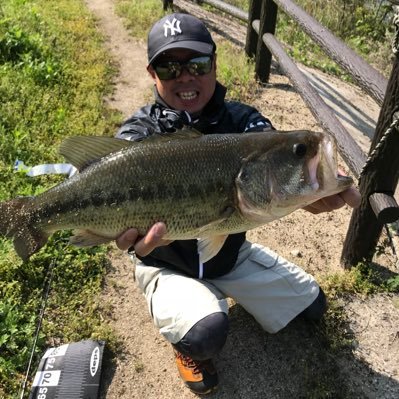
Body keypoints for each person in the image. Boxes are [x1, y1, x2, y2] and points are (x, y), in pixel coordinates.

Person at [115, 13, 361, 395]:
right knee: (207, 334)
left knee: (313, 307)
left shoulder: (244, 123)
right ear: (152, 73)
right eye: (169, 67)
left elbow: (272, 151)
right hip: (164, 264)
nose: (185, 76)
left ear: (214, 64)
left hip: (229, 255)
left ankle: (219, 289)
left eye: (196, 64)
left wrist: (312, 194)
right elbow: (112, 167)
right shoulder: (139, 133)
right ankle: (186, 339)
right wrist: (129, 241)